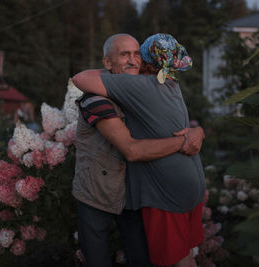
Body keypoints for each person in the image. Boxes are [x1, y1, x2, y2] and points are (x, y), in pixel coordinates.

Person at [72, 33, 206, 267]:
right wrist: (187, 139)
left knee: (160, 259)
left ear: (147, 62)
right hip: (99, 194)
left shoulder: (137, 87)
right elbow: (132, 150)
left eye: (137, 55)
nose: (134, 61)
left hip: (143, 195)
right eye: (125, 55)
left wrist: (197, 133)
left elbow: (83, 77)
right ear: (107, 62)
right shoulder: (165, 85)